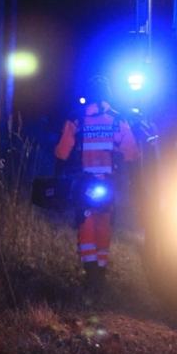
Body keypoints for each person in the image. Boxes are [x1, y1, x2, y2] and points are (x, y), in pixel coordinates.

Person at [54, 75, 139, 291]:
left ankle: (90, 269)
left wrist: (58, 176)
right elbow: (131, 152)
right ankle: (100, 270)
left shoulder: (77, 119)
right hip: (108, 182)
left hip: (84, 182)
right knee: (104, 223)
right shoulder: (118, 119)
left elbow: (63, 152)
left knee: (86, 224)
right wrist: (132, 179)